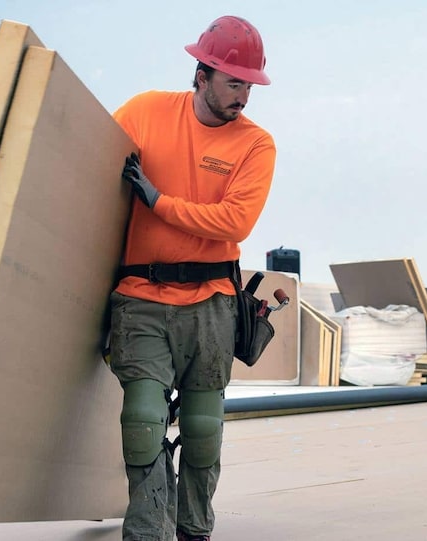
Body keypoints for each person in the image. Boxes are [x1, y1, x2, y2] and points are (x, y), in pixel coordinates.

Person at [107, 15, 276, 541]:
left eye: (249, 85)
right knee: (142, 420)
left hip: (212, 303)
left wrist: (157, 201)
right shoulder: (144, 112)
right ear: (202, 76)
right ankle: (147, 532)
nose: (243, 96)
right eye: (234, 83)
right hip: (141, 297)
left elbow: (235, 222)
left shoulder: (256, 145)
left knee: (203, 429)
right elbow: (89, 167)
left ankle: (193, 529)